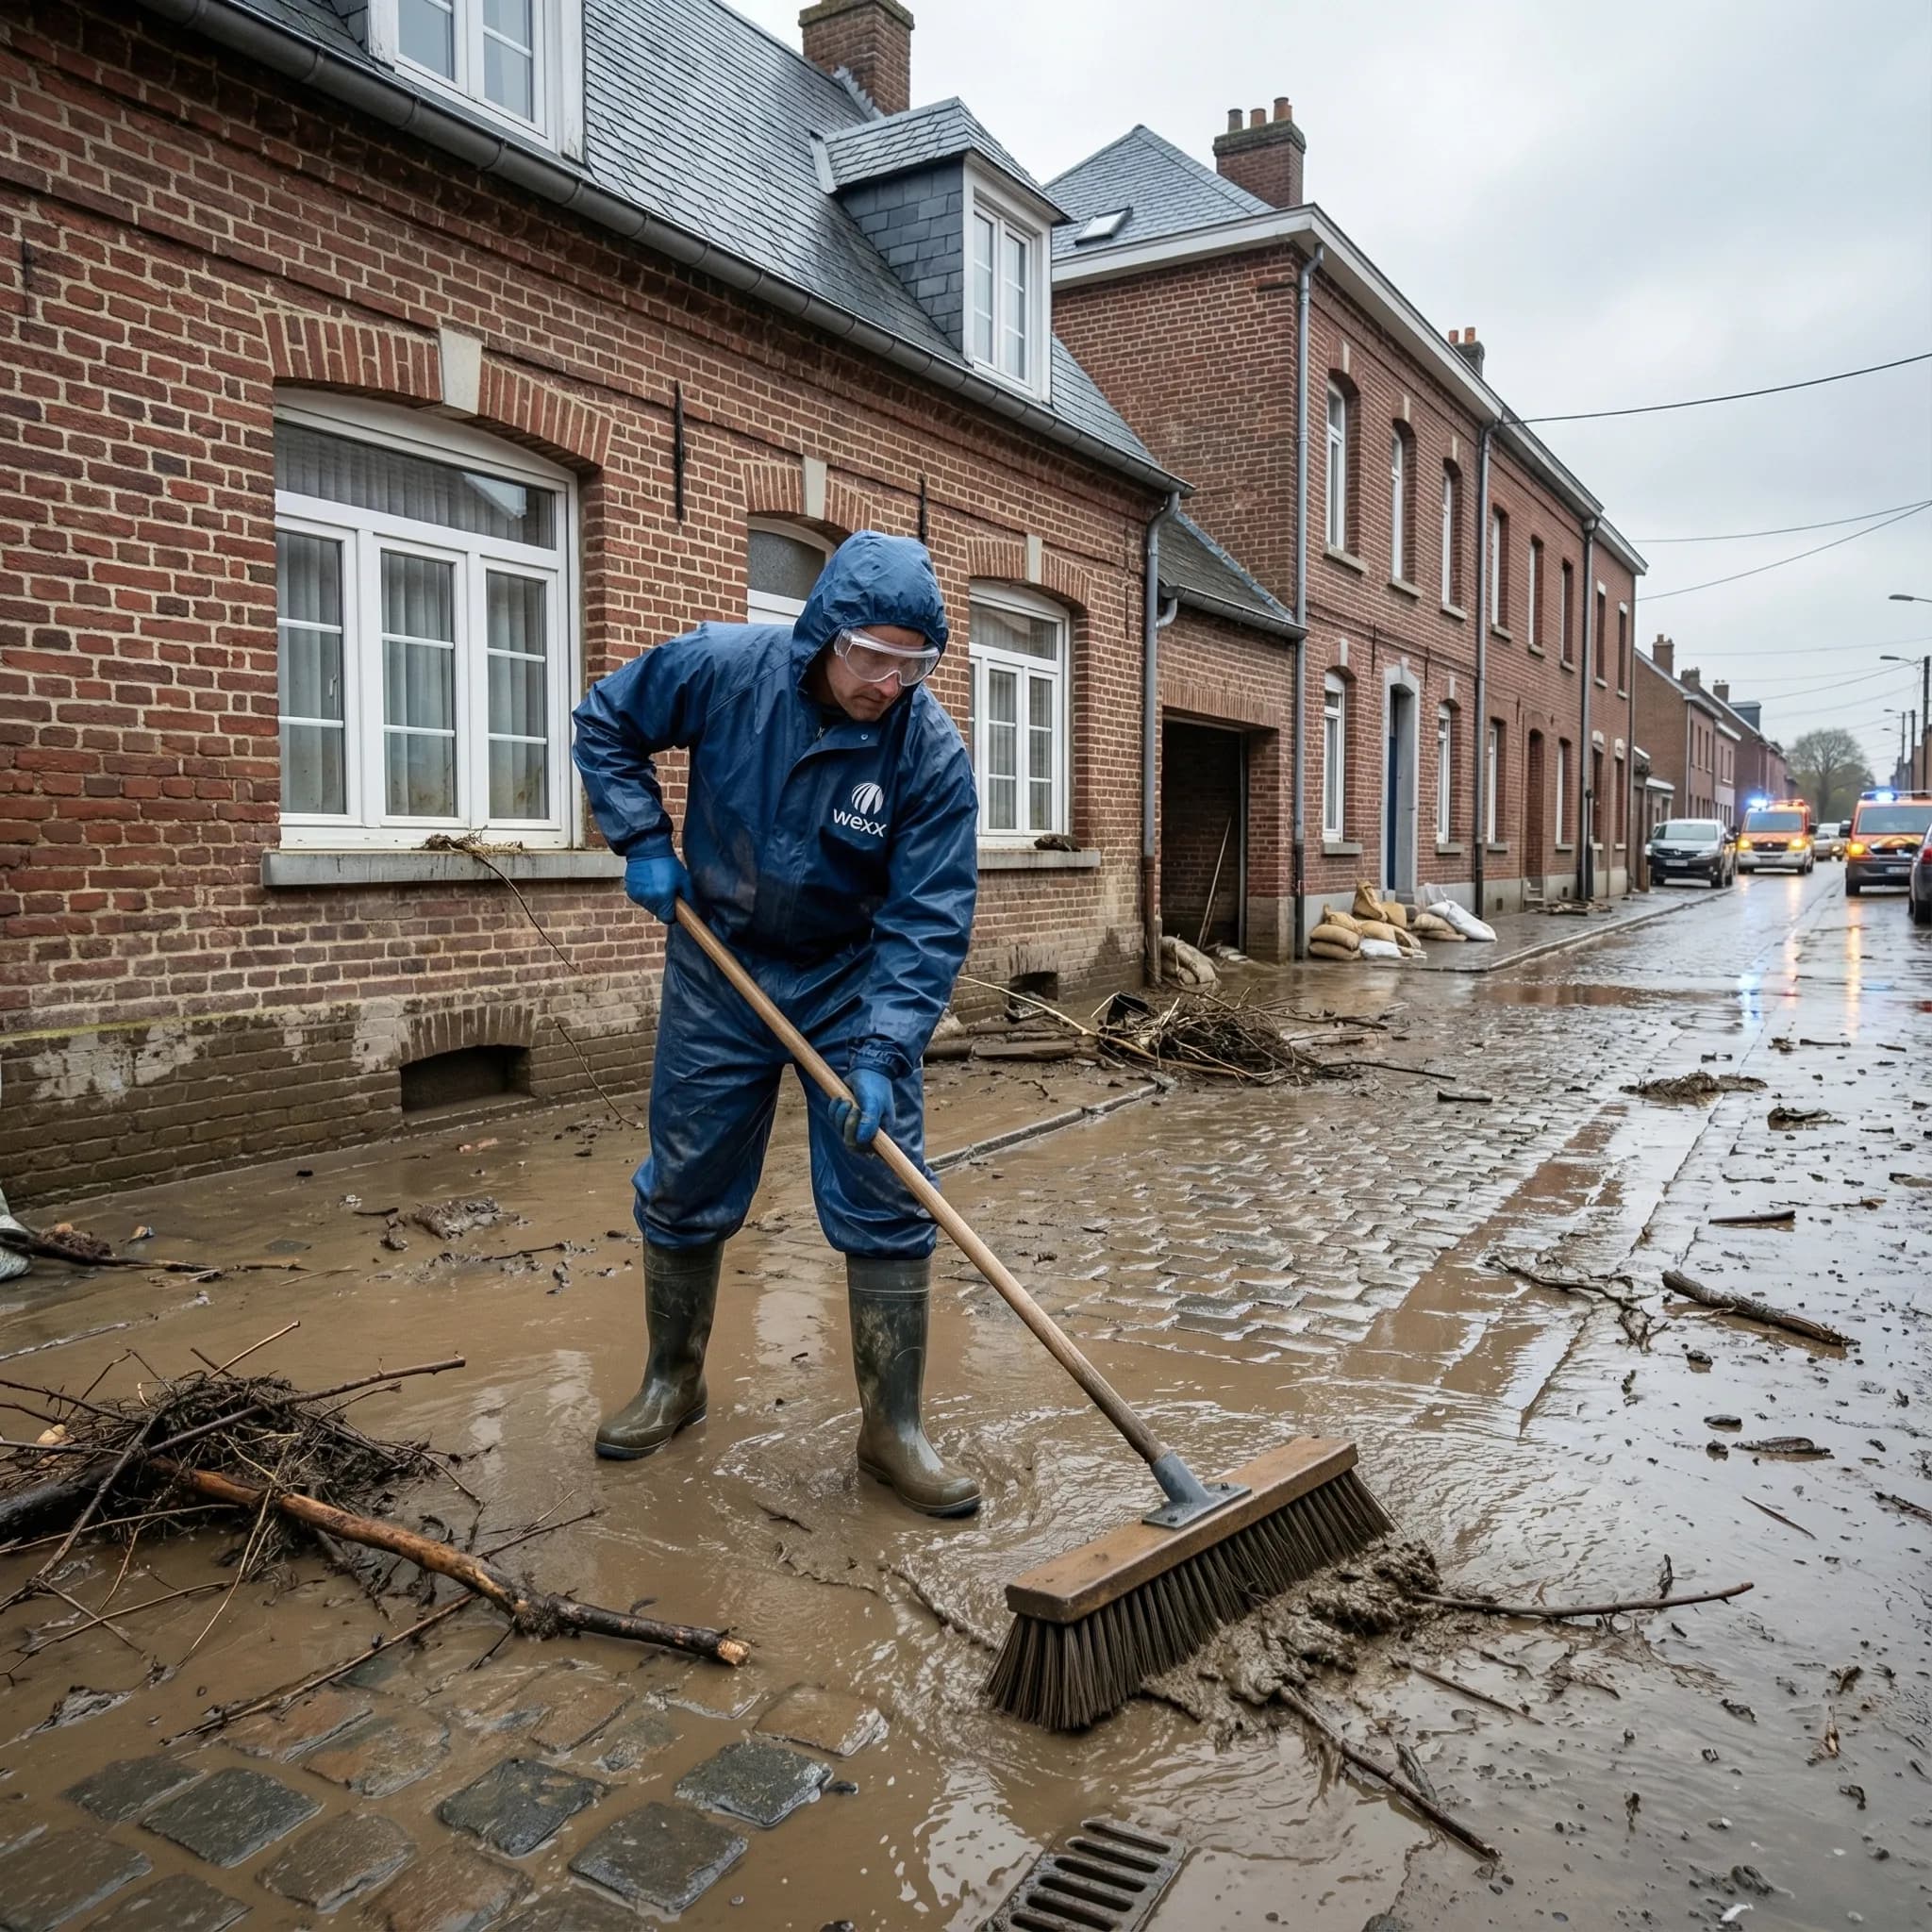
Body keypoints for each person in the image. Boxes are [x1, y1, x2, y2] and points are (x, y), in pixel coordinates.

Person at [572, 531, 981, 1516]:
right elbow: (604, 720)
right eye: (870, 656)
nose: (888, 681)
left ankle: (892, 1431)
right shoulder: (723, 669)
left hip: (848, 981)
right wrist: (639, 836)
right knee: (687, 1174)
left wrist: (883, 1048)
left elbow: (926, 915)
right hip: (722, 965)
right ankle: (675, 1380)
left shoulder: (928, 754)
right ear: (824, 634)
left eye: (911, 662)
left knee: (886, 1187)